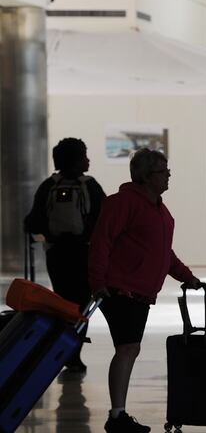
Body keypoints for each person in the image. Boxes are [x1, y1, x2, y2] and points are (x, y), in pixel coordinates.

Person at [89, 148, 200, 433]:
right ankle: (117, 416)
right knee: (127, 348)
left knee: (129, 348)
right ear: (146, 176)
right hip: (120, 289)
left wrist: (187, 277)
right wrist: (98, 283)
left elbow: (163, 253)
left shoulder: (160, 209)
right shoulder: (122, 203)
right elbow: (101, 242)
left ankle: (118, 414)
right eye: (163, 171)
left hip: (139, 292)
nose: (168, 176)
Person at [24, 137, 106, 373]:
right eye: (84, 156)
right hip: (83, 253)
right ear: (76, 160)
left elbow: (33, 221)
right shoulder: (90, 186)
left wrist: (52, 235)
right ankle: (73, 353)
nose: (88, 160)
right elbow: (104, 218)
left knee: (61, 303)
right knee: (81, 305)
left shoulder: (48, 186)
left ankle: (61, 350)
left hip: (57, 254)